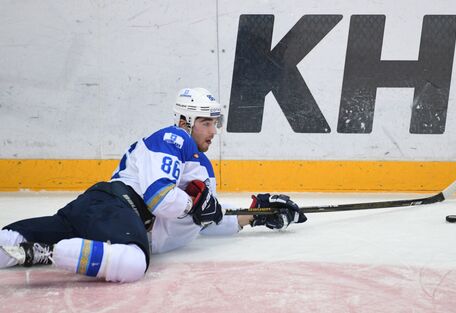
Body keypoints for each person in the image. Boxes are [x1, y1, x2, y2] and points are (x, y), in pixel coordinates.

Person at [0, 87, 307, 283]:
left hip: (102, 217)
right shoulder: (174, 139)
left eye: (216, 123)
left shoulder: (196, 165)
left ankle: (40, 248)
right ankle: (52, 253)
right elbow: (161, 198)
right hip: (117, 207)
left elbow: (203, 219)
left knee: (8, 242)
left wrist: (255, 214)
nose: (213, 131)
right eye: (206, 122)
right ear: (185, 121)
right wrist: (195, 204)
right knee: (134, 263)